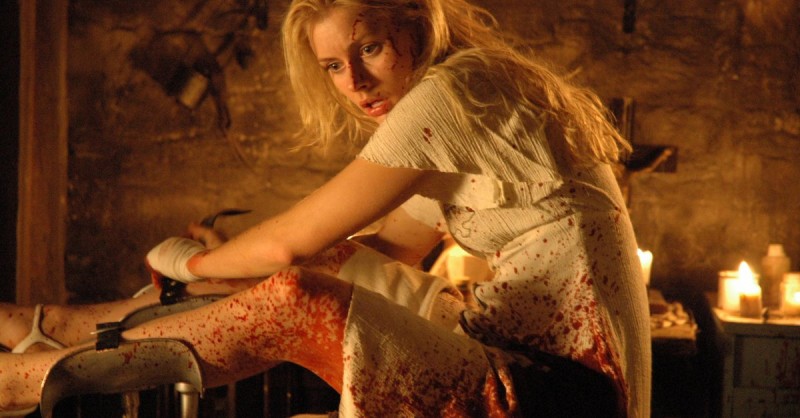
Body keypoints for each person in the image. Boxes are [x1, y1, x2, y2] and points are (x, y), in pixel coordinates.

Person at [0, 0, 651, 416]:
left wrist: (189, 263)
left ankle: (27, 379)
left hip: (563, 392)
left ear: (415, 23)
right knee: (318, 270)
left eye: (369, 49)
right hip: (526, 358)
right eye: (334, 66)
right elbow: (383, 249)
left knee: (295, 298)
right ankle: (57, 326)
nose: (355, 84)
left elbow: (290, 247)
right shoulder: (477, 96)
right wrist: (234, 261)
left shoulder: (451, 98)